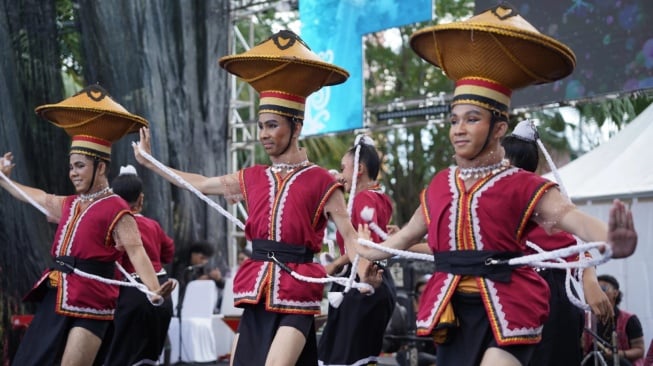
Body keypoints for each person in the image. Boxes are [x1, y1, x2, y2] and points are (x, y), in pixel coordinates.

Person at [352, 4, 637, 366]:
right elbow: (405, 237)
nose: (458, 128)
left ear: (499, 128)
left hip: (509, 312)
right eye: (454, 119)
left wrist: (611, 239)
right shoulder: (440, 184)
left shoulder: (521, 184)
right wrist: (365, 249)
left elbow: (571, 218)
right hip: (451, 315)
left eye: (472, 119)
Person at [133, 30, 373, 365]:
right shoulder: (251, 177)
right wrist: (153, 163)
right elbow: (201, 184)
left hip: (298, 292)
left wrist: (363, 272)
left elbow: (349, 238)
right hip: (257, 290)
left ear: (296, 125)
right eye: (260, 126)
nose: (263, 135)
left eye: (272, 125)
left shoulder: (321, 181)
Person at [0, 85, 174, 366]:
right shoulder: (70, 204)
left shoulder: (116, 206)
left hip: (93, 303)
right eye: (71, 167)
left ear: (101, 167)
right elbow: (37, 198)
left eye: (80, 166)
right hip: (58, 294)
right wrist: (3, 180)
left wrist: (153, 291)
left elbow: (136, 251)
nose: (73, 173)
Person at [502, 121, 612, 366]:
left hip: (549, 299)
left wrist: (590, 281)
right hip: (509, 298)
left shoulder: (539, 201)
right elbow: (451, 249)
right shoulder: (490, 204)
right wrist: (404, 242)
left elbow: (578, 243)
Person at [317, 136, 397, 366]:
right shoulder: (380, 198)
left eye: (344, 168)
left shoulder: (363, 200)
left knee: (345, 358)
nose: (340, 173)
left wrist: (334, 264)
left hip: (361, 280)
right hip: (372, 278)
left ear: (359, 169)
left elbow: (362, 246)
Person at [103, 164, 175, 366]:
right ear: (141, 199)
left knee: (121, 359)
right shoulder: (153, 226)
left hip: (131, 295)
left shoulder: (112, 227)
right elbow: (168, 252)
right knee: (149, 360)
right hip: (162, 294)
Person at [582, 275, 645, 366]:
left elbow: (639, 350)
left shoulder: (630, 319)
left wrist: (616, 354)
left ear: (615, 293)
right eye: (596, 290)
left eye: (602, 289)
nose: (598, 293)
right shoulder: (586, 319)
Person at [176, 240, 225, 312]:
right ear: (193, 254)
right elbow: (181, 287)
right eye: (202, 258)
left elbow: (222, 285)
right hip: (186, 306)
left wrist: (218, 279)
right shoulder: (183, 268)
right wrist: (196, 282)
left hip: (203, 305)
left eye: (206, 259)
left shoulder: (204, 268)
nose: (204, 261)